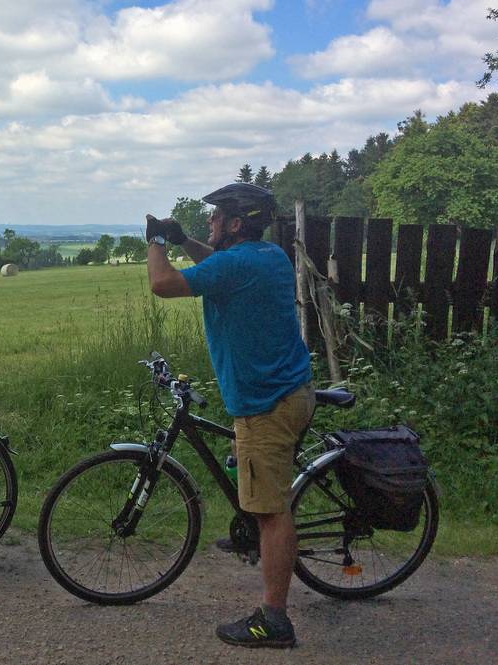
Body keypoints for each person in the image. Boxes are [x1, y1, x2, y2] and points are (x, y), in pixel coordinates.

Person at [145, 182, 312, 649]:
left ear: (236, 223)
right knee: (258, 493)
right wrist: (183, 240)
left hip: (267, 405)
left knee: (271, 513)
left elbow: (162, 284)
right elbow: (214, 266)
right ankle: (254, 536)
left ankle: (274, 620)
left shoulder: (238, 263)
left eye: (216, 217)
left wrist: (157, 240)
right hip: (285, 392)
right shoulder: (268, 256)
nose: (210, 223)